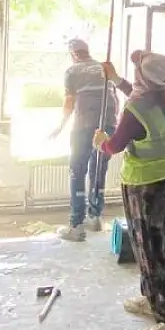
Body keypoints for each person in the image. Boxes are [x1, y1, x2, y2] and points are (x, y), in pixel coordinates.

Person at [94, 51, 165, 330]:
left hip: (149, 188)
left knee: (151, 251)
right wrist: (117, 80)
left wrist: (101, 143)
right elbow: (140, 99)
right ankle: (154, 299)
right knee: (164, 247)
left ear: (142, 78)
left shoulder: (137, 110)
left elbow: (114, 145)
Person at [46, 38, 118, 241]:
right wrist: (114, 124)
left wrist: (60, 127)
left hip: (84, 126)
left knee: (77, 171)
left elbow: (69, 102)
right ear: (87, 51)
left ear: (73, 54)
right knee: (98, 169)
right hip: (108, 124)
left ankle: (76, 225)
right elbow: (115, 98)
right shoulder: (104, 68)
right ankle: (95, 217)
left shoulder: (72, 71)